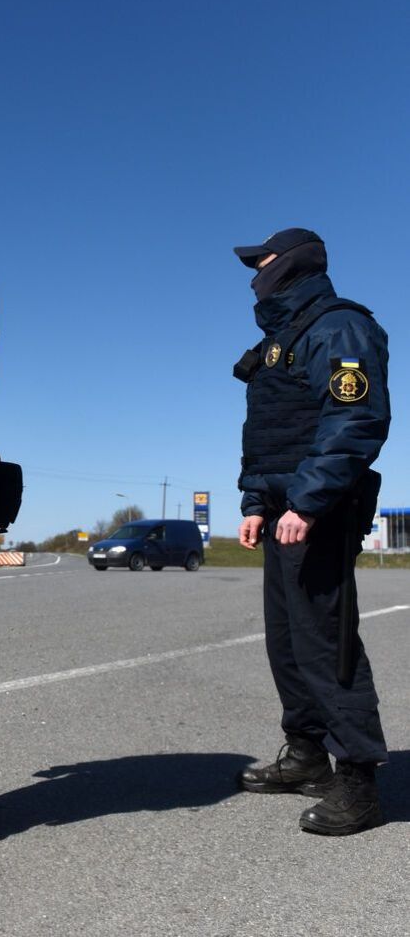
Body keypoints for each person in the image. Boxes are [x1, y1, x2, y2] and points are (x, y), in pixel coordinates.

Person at [231, 228, 390, 836]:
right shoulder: (280, 337)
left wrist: (309, 501)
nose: (255, 272)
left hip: (316, 511)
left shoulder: (339, 326)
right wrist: (255, 501)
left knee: (327, 644)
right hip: (282, 510)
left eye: (263, 262)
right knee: (289, 641)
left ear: (291, 265)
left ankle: (357, 780)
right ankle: (306, 755)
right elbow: (271, 433)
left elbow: (355, 418)